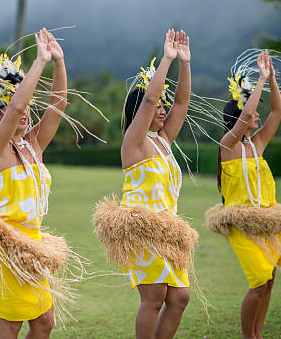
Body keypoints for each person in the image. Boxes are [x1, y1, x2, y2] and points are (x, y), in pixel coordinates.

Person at [0, 28, 80, 339]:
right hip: (2, 248)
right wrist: (39, 62)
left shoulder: (34, 144)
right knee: (10, 325)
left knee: (44, 321)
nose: (21, 109)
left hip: (30, 246)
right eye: (8, 102)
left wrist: (58, 62)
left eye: (23, 102)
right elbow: (17, 108)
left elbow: (58, 105)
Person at [93, 29, 198, 339]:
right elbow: (151, 97)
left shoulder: (164, 139)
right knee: (153, 298)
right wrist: (166, 58)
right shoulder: (134, 143)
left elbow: (183, 103)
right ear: (142, 112)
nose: (162, 109)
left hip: (168, 231)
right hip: (143, 230)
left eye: (163, 106)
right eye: (157, 107)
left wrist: (185, 63)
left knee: (179, 297)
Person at [206, 49, 281, 339]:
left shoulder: (257, 144)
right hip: (241, 223)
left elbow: (277, 111)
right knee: (258, 279)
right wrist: (258, 81)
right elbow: (246, 114)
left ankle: (257, 333)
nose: (256, 115)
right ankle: (248, 336)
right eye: (249, 112)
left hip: (266, 220)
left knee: (268, 280)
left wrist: (270, 81)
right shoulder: (228, 145)